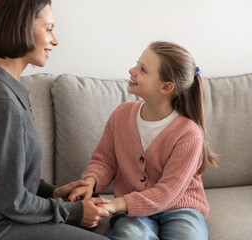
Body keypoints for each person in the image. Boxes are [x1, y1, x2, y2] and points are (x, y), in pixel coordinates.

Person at [0, 0, 110, 239]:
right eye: (48, 29)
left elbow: (3, 177)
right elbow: (11, 201)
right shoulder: (0, 100)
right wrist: (74, 212)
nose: (55, 40)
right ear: (23, 27)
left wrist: (54, 192)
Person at [68, 41, 217, 240]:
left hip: (180, 207)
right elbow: (103, 161)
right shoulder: (121, 115)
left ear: (166, 87)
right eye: (137, 63)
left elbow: (167, 192)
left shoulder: (188, 133)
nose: (132, 70)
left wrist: (114, 204)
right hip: (133, 209)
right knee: (129, 235)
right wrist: (90, 182)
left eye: (143, 69)